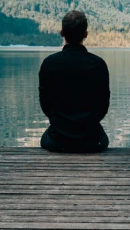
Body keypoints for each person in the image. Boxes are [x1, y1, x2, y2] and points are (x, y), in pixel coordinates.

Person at [38, 10, 110, 153]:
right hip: (92, 141)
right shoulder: (98, 64)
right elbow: (103, 105)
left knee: (46, 137)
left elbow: (45, 103)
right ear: (85, 34)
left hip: (57, 140)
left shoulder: (49, 63)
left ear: (62, 33)